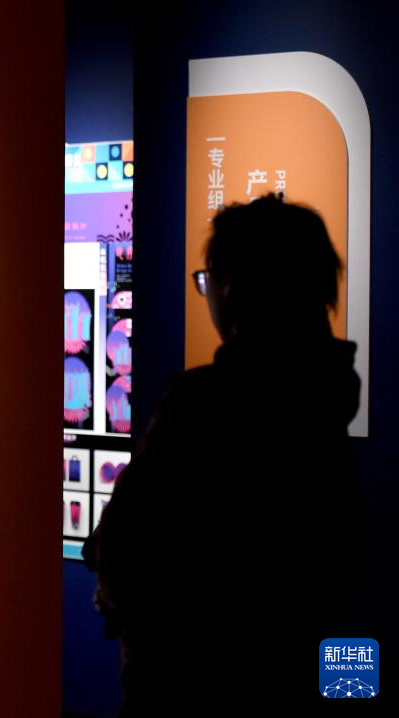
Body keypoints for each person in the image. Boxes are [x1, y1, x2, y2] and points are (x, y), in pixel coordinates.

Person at [82, 195, 360, 715]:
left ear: (230, 286)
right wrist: (349, 692)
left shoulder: (201, 406)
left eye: (206, 280)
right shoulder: (330, 401)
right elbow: (345, 587)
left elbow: (124, 546)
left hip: (186, 687)